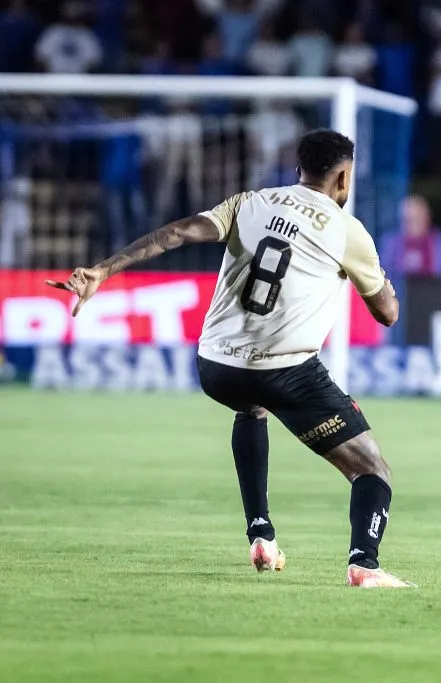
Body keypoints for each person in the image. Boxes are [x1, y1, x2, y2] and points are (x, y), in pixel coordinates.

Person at [45, 130, 413, 588]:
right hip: (286, 371)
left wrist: (101, 270)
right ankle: (365, 564)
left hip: (217, 368)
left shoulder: (249, 202)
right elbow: (387, 314)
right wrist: (382, 285)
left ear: (298, 169)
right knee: (371, 469)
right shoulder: (347, 231)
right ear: (343, 177)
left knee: (251, 405)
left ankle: (261, 534)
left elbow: (177, 233)